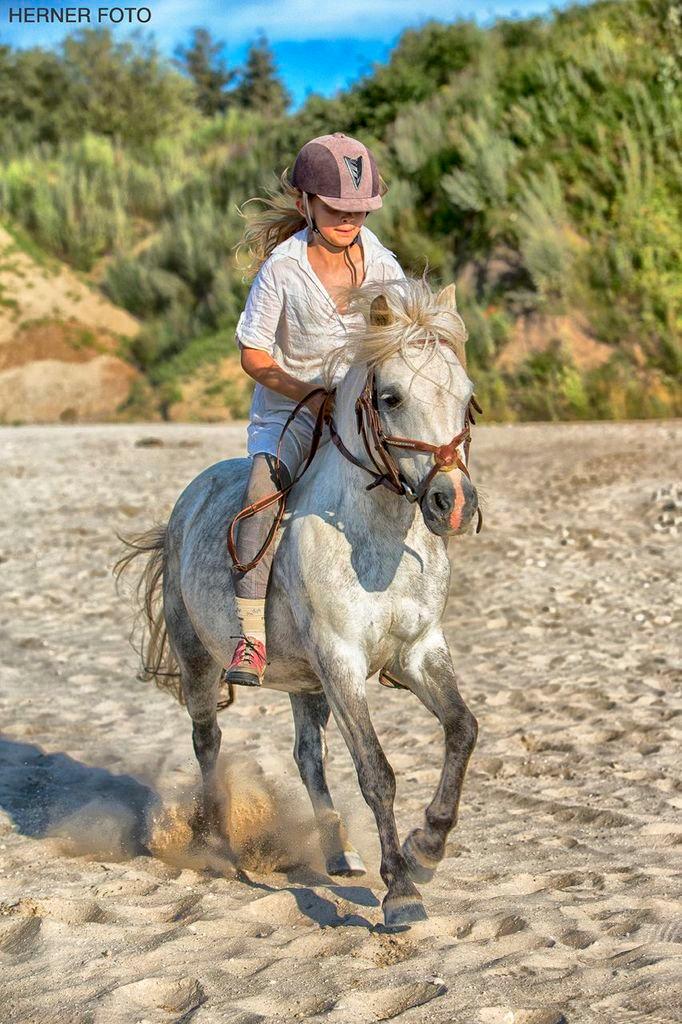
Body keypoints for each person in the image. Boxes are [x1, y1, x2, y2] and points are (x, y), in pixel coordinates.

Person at [225, 132, 406, 687]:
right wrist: (309, 393)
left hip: (360, 411)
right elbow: (253, 355)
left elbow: (402, 338)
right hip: (292, 413)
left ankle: (406, 631)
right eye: (336, 209)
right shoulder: (281, 269)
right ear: (306, 202)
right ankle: (250, 636)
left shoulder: (382, 264)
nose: (348, 220)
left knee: (417, 480)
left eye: (359, 209)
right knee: (260, 498)